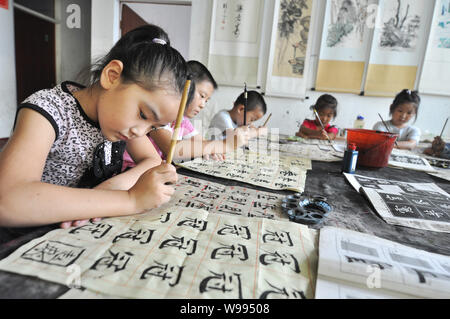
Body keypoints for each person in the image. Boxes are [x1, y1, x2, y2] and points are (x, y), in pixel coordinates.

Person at [0, 25, 188, 228]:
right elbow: (9, 200)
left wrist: (106, 191)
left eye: (153, 127)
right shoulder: (49, 110)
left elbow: (151, 160)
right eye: (143, 114)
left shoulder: (123, 122)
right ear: (112, 76)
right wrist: (131, 200)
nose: (140, 132)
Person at [122, 60, 252, 165]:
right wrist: (224, 145)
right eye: (202, 96)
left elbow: (201, 142)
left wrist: (212, 148)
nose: (203, 105)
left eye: (207, 101)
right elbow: (172, 148)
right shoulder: (160, 116)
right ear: (185, 86)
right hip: (131, 170)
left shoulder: (183, 121)